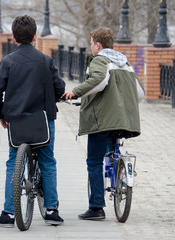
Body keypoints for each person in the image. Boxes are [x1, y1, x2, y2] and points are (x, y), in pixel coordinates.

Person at [0, 15, 65, 227]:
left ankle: (9, 213)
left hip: (17, 121)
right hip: (43, 121)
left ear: (13, 38)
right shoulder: (45, 61)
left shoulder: (8, 62)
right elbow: (59, 88)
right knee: (48, 160)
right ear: (35, 37)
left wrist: (0, 114)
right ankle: (51, 210)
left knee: (14, 162)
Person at [62, 27, 144, 220]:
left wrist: (76, 92)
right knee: (111, 151)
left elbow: (99, 81)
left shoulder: (99, 60)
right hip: (124, 120)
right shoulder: (125, 63)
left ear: (97, 45)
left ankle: (96, 207)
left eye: (91, 43)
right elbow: (139, 93)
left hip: (104, 121)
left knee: (93, 161)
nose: (91, 47)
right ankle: (118, 174)